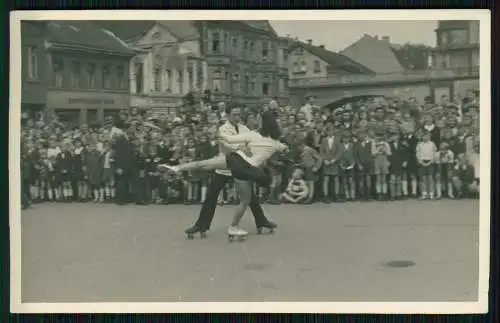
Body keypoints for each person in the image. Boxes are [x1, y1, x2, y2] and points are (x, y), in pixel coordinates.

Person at [161, 103, 281, 239]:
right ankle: (201, 225)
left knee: (249, 197)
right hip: (225, 166)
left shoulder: (244, 128)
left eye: (238, 114)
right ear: (228, 115)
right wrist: (242, 148)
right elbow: (226, 147)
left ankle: (261, 221)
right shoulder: (223, 129)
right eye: (234, 114)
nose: (237, 117)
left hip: (241, 168)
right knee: (211, 197)